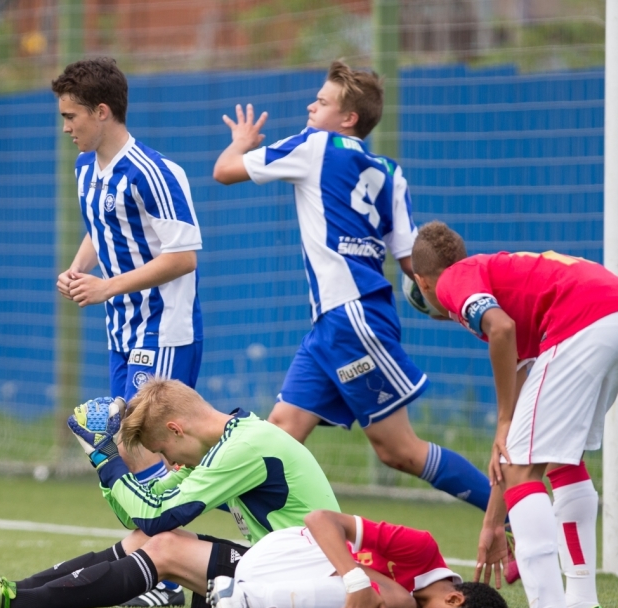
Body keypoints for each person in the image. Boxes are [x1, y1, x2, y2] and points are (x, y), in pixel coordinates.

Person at [210, 60, 490, 511]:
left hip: (352, 315)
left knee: (398, 450)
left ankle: (509, 513)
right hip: (337, 321)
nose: (311, 106)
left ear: (348, 118)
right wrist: (450, 305)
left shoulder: (314, 144)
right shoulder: (390, 172)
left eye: (321, 102)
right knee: (281, 432)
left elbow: (224, 170)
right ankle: (239, 519)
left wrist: (241, 142)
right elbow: (412, 265)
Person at [410, 222, 618, 608]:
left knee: (524, 465)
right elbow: (519, 422)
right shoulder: (500, 278)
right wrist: (492, 522)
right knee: (561, 459)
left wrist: (503, 421)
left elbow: (499, 328)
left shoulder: (452, 281)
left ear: (422, 281)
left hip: (586, 321)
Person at [0, 380, 340, 608]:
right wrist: (105, 465)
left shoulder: (245, 447)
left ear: (176, 429)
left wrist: (106, 459)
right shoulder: (226, 443)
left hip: (309, 579)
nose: (169, 460)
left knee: (166, 546)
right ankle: (8, 592)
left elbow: (157, 516)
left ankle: (15, 605)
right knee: (143, 540)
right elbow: (142, 515)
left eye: (162, 449)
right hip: (278, 565)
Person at [53, 57, 206, 606]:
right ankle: (164, 561)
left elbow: (184, 256)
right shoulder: (86, 168)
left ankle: (166, 572)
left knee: (139, 442)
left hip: (163, 329)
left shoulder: (154, 172)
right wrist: (79, 269)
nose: (65, 127)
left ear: (102, 111)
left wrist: (108, 287)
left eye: (71, 116)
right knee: (131, 441)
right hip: (123, 330)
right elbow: (101, 229)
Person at [66, 510, 510, 608]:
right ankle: (243, 597)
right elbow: (320, 520)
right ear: (454, 600)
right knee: (399, 602)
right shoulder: (421, 550)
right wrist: (355, 579)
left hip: (284, 603)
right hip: (284, 556)